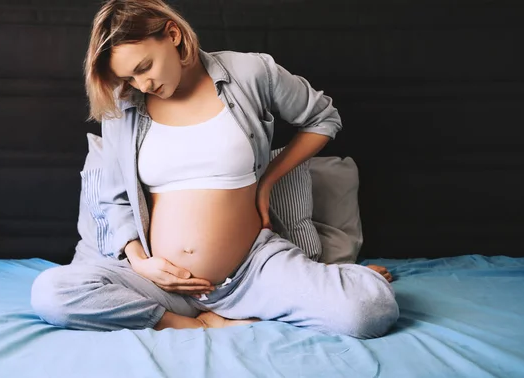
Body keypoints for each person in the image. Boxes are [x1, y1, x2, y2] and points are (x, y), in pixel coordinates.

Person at [31, 0, 399, 338]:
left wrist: (269, 179)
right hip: (162, 285)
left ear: (172, 35)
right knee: (51, 292)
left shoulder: (251, 72)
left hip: (249, 273)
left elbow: (323, 118)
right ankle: (193, 324)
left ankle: (337, 281)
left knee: (370, 311)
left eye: (144, 67)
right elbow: (113, 197)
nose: (142, 84)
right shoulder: (126, 105)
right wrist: (141, 263)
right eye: (128, 78)